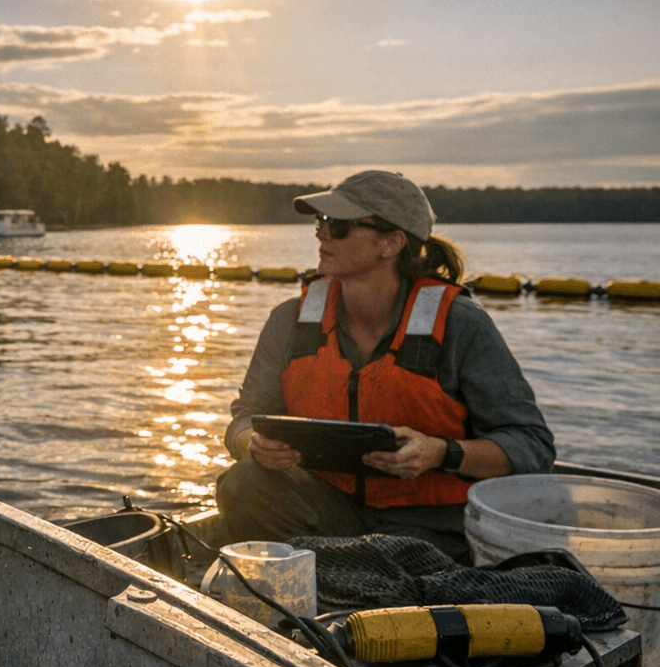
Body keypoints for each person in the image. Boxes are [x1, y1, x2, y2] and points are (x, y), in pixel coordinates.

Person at [215, 170, 555, 564]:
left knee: (403, 562)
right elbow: (242, 420)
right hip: (326, 513)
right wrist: (251, 443)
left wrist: (441, 453)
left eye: (338, 225)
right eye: (320, 222)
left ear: (391, 243)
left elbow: (532, 445)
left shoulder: (462, 325)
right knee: (242, 482)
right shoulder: (288, 320)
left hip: (429, 534)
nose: (321, 234)